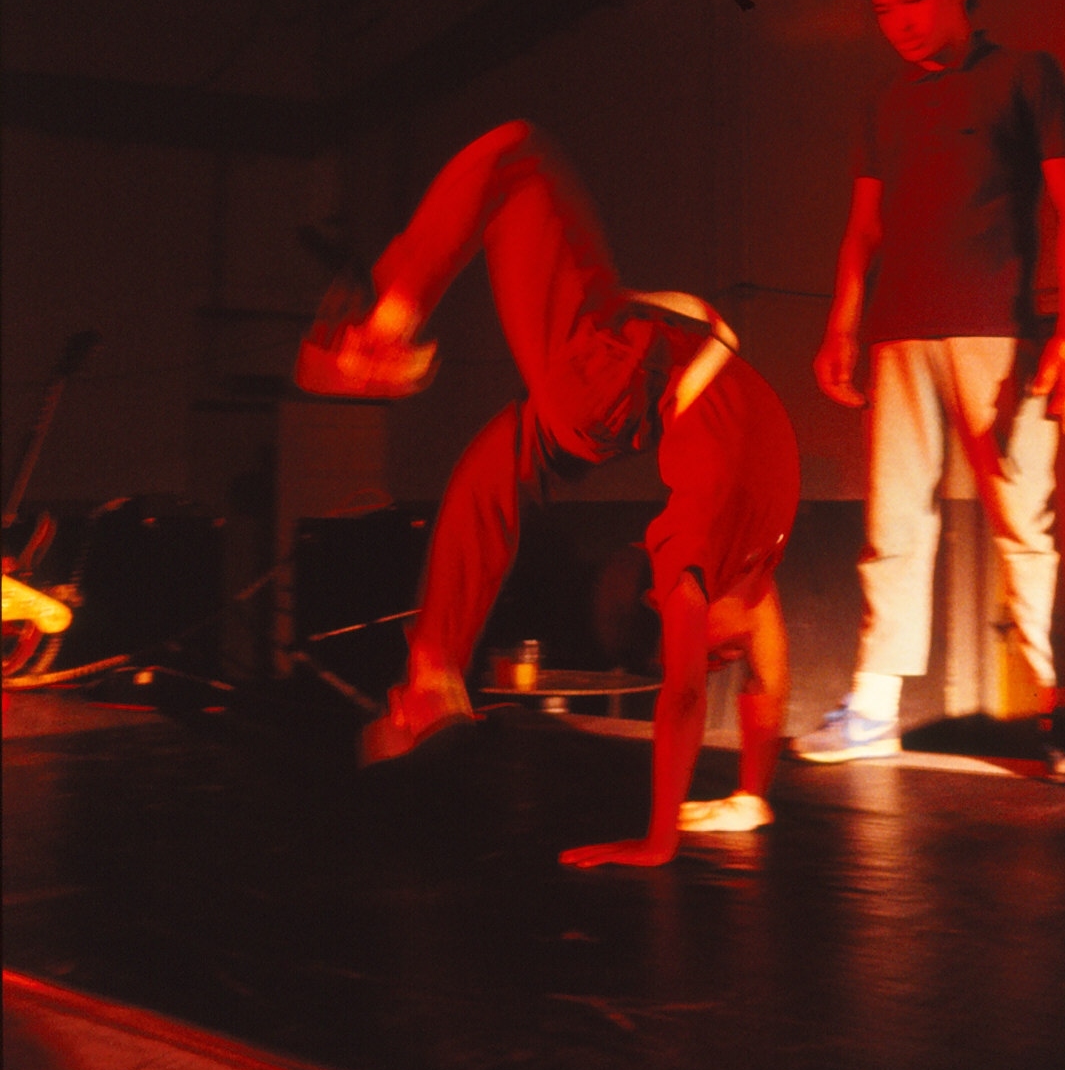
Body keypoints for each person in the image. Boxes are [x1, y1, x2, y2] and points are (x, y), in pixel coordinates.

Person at [295, 120, 800, 865]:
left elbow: (686, 696)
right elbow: (765, 685)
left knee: (518, 156)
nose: (728, 654)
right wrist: (750, 797)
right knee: (491, 471)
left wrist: (657, 839)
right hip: (622, 398)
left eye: (709, 651)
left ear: (661, 601)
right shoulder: (753, 579)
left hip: (611, 377)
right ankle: (433, 676)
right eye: (728, 656)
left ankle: (383, 329)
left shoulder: (696, 556)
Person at [795, 0, 1065, 779]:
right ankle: (873, 707)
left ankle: (1057, 711)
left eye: (916, 1)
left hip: (1000, 326)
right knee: (892, 523)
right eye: (885, 11)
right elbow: (865, 226)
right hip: (899, 332)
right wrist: (842, 324)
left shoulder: (1025, 73)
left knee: (1023, 522)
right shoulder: (883, 101)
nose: (902, 23)